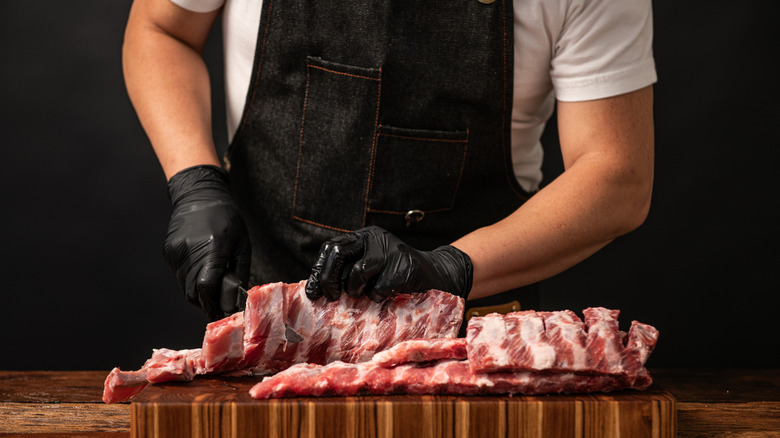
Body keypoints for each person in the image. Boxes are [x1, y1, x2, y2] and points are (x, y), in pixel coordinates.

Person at [122, 0, 656, 323]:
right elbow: (160, 28)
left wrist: (449, 268)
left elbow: (617, 174)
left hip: (466, 342)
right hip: (266, 324)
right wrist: (195, 182)